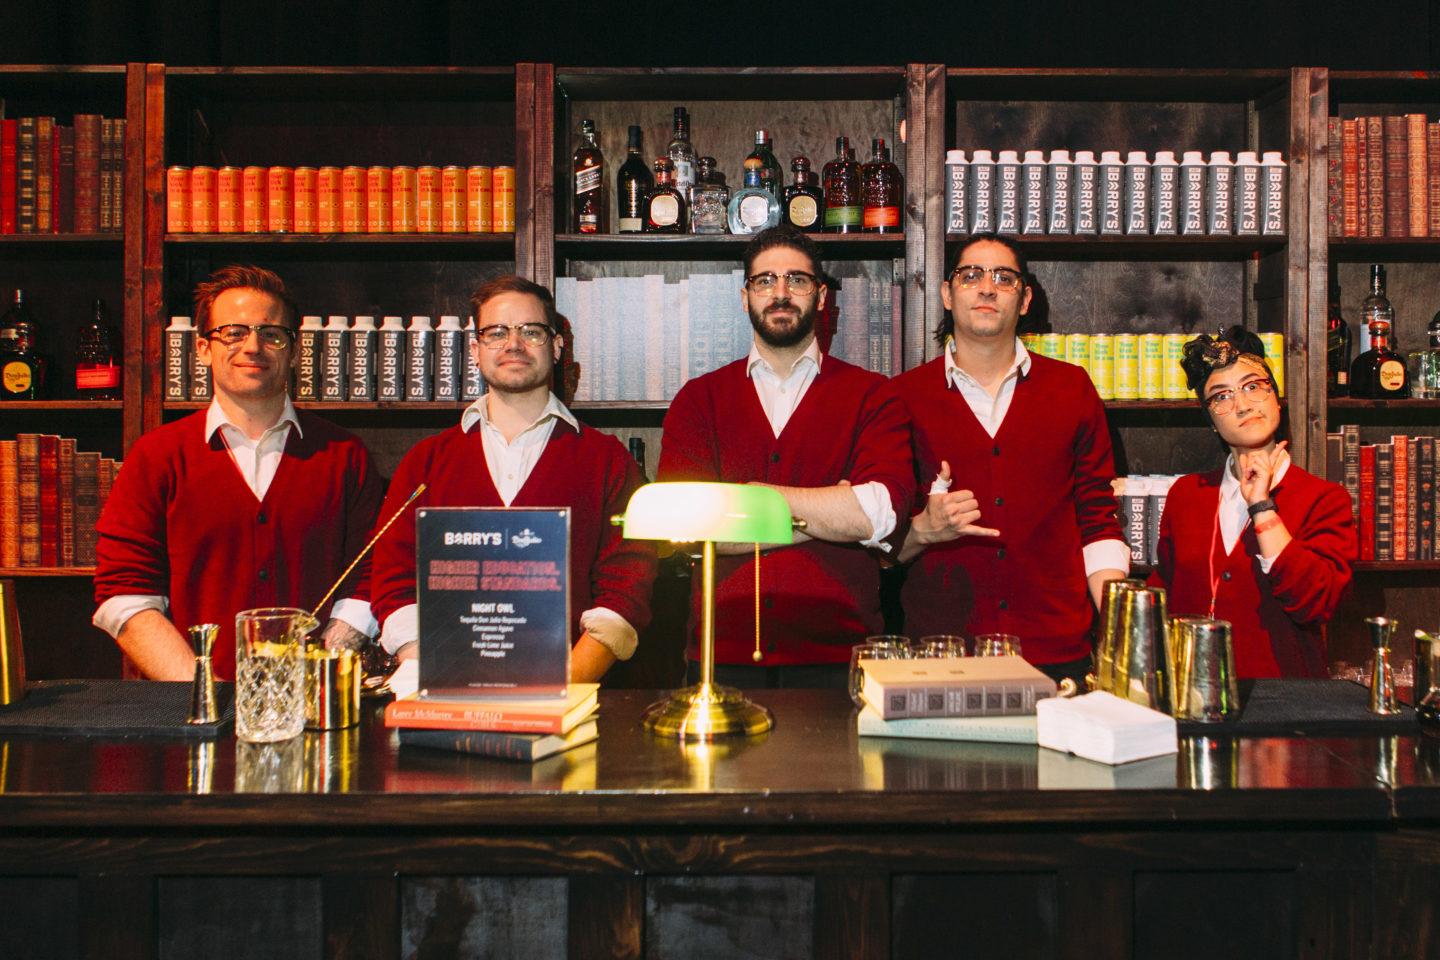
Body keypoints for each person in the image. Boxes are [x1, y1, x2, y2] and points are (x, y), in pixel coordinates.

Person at [94, 265, 384, 680]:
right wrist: (205, 693)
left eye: (271, 334)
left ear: (295, 349)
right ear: (202, 349)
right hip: (188, 713)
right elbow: (124, 593)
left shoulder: (343, 455)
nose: (253, 346)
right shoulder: (156, 456)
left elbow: (371, 574)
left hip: (314, 705)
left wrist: (316, 671)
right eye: (233, 332)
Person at [657, 225, 914, 689]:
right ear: (744, 297)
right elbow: (683, 525)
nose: (780, 293)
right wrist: (825, 515)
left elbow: (881, 513)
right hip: (720, 658)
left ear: (819, 296)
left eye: (796, 280)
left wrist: (753, 500)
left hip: (839, 659)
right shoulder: (699, 400)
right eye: (764, 281)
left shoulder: (873, 395)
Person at [368, 275, 655, 682]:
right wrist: (427, 667)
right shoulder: (426, 463)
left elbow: (627, 584)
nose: (513, 344)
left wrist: (565, 685)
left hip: (572, 694)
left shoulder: (607, 461)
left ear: (555, 348)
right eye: (496, 332)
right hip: (444, 687)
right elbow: (393, 577)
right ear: (475, 349)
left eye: (531, 331)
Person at [891, 234, 1129, 687]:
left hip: (1056, 653)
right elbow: (882, 546)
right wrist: (923, 529)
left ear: (1024, 300)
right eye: (971, 275)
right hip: (941, 652)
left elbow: (1097, 521)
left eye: (1004, 277)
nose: (987, 288)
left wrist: (1121, 630)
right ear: (946, 293)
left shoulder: (1072, 388)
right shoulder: (901, 398)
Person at [1151, 327, 1356, 677]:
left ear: (1276, 398)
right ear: (1212, 421)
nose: (1242, 405)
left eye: (1252, 386)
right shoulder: (1186, 494)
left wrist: (1261, 506)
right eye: (1221, 396)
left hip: (1285, 705)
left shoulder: (1324, 500)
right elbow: (1163, 593)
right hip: (1191, 695)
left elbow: (1316, 604)